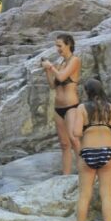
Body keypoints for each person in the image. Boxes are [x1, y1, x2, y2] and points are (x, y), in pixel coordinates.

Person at [71, 78, 111, 221]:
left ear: (87, 91)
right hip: (107, 152)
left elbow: (76, 133)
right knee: (106, 195)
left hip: (88, 152)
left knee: (84, 195)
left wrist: (90, 129)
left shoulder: (82, 108)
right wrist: (108, 131)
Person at [41, 34, 82, 175]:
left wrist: (51, 67)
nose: (57, 48)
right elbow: (53, 84)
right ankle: (66, 176)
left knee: (74, 140)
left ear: (69, 44)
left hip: (71, 106)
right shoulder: (60, 63)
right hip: (58, 108)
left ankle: (85, 172)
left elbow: (62, 77)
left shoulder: (74, 60)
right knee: (64, 145)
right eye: (56, 46)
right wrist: (47, 70)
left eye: (59, 45)